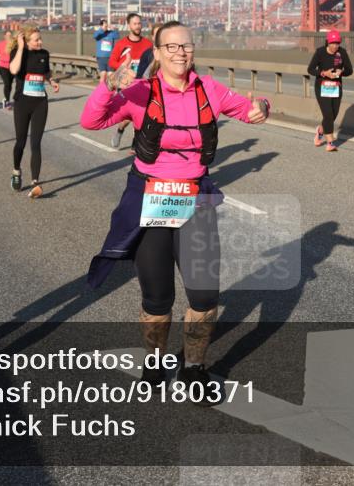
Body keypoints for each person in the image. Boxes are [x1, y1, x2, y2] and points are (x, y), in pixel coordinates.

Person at [81, 21, 270, 394]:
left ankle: (194, 368)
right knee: (157, 297)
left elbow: (248, 110)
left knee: (204, 294)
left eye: (186, 46)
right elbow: (92, 121)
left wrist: (262, 106)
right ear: (157, 51)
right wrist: (106, 87)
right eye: (171, 46)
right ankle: (155, 364)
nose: (180, 52)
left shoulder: (209, 90)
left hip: (196, 201)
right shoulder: (140, 92)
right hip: (151, 201)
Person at [9, 27, 59, 198]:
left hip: (40, 103)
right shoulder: (18, 52)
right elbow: (14, 70)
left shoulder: (44, 54)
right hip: (22, 103)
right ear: (27, 41)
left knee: (36, 143)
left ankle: (35, 183)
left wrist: (51, 81)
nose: (40, 42)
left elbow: (45, 72)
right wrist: (21, 48)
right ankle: (16, 171)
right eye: (36, 40)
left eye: (40, 39)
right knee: (20, 142)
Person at [107, 13, 153, 148]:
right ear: (129, 25)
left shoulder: (148, 44)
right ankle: (120, 129)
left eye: (139, 23)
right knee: (129, 115)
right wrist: (125, 68)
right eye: (135, 24)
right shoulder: (122, 44)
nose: (138, 26)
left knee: (141, 114)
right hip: (126, 83)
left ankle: (135, 143)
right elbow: (112, 62)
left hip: (142, 83)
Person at [307, 29, 353, 152]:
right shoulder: (320, 52)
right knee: (327, 114)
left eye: (337, 43)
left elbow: (349, 70)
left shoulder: (342, 53)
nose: (335, 46)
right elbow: (310, 69)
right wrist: (323, 73)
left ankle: (321, 131)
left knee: (333, 114)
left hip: (336, 88)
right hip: (322, 87)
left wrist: (341, 72)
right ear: (327, 42)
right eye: (332, 43)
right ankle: (330, 143)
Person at [0, 30, 16, 109]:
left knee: (10, 85)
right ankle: (7, 101)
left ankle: (6, 98)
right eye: (7, 35)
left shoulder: (14, 44)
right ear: (4, 36)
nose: (9, 37)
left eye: (10, 35)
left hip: (12, 67)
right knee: (7, 84)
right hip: (3, 67)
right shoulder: (0, 44)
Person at [93, 19, 119, 84]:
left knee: (110, 75)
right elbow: (95, 36)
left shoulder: (111, 33)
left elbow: (117, 36)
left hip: (110, 57)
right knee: (103, 74)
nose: (106, 26)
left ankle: (109, 90)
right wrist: (102, 29)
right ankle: (101, 89)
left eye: (106, 25)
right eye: (104, 25)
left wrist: (114, 29)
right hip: (101, 57)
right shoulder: (99, 33)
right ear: (101, 26)